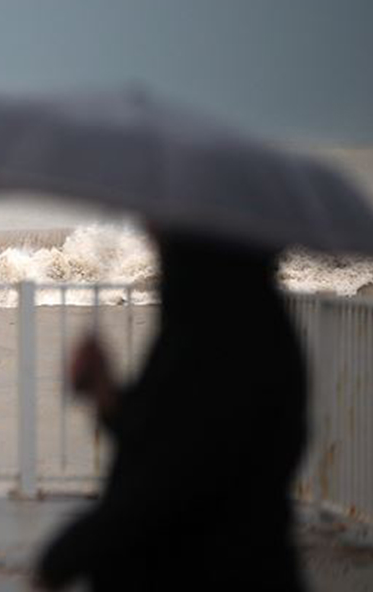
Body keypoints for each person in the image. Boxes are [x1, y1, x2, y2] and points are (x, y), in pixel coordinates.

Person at [32, 229, 309, 591]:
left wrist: (69, 552)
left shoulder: (221, 336)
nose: (152, 236)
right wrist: (104, 392)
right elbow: (163, 427)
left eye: (165, 231)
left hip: (209, 570)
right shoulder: (231, 321)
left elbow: (172, 478)